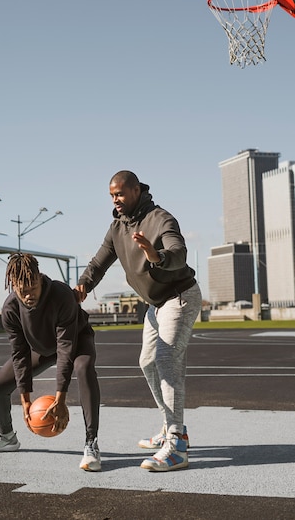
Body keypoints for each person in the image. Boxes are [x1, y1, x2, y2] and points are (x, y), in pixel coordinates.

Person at [74, 170, 201, 472]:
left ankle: (177, 443)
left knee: (167, 359)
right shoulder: (117, 227)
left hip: (179, 296)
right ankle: (167, 426)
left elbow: (179, 253)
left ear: (135, 190)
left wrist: (155, 255)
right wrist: (83, 286)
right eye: (111, 196)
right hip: (155, 304)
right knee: (147, 362)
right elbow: (98, 261)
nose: (115, 200)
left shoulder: (161, 219)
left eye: (119, 194)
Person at [0, 252, 101, 472]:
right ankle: (7, 437)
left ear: (40, 278)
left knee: (83, 367)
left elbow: (65, 348)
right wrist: (25, 400)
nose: (28, 294)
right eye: (22, 290)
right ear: (13, 285)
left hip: (76, 340)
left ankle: (91, 443)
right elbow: (20, 354)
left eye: (33, 287)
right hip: (41, 348)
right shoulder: (11, 309)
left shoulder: (61, 295)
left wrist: (60, 398)